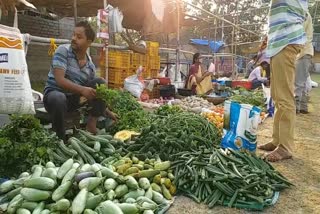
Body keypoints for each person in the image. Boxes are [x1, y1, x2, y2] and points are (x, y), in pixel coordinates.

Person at [43, 21, 117, 141]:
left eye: (79, 37)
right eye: (73, 35)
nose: (73, 39)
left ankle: (91, 125)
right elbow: (60, 80)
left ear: (89, 42)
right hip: (53, 97)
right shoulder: (63, 51)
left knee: (100, 83)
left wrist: (107, 112)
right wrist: (83, 89)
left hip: (73, 101)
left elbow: (95, 93)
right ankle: (59, 139)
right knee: (59, 98)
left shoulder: (90, 66)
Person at [258, 0, 308, 162]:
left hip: (286, 39)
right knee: (278, 95)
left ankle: (285, 146)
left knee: (284, 96)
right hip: (280, 40)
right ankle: (277, 140)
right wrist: (269, 36)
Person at [295, 12, 314, 114]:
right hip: (305, 52)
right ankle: (303, 107)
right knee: (302, 82)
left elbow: (298, 32)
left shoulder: (304, 13)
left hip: (303, 52)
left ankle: (295, 108)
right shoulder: (304, 12)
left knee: (298, 82)